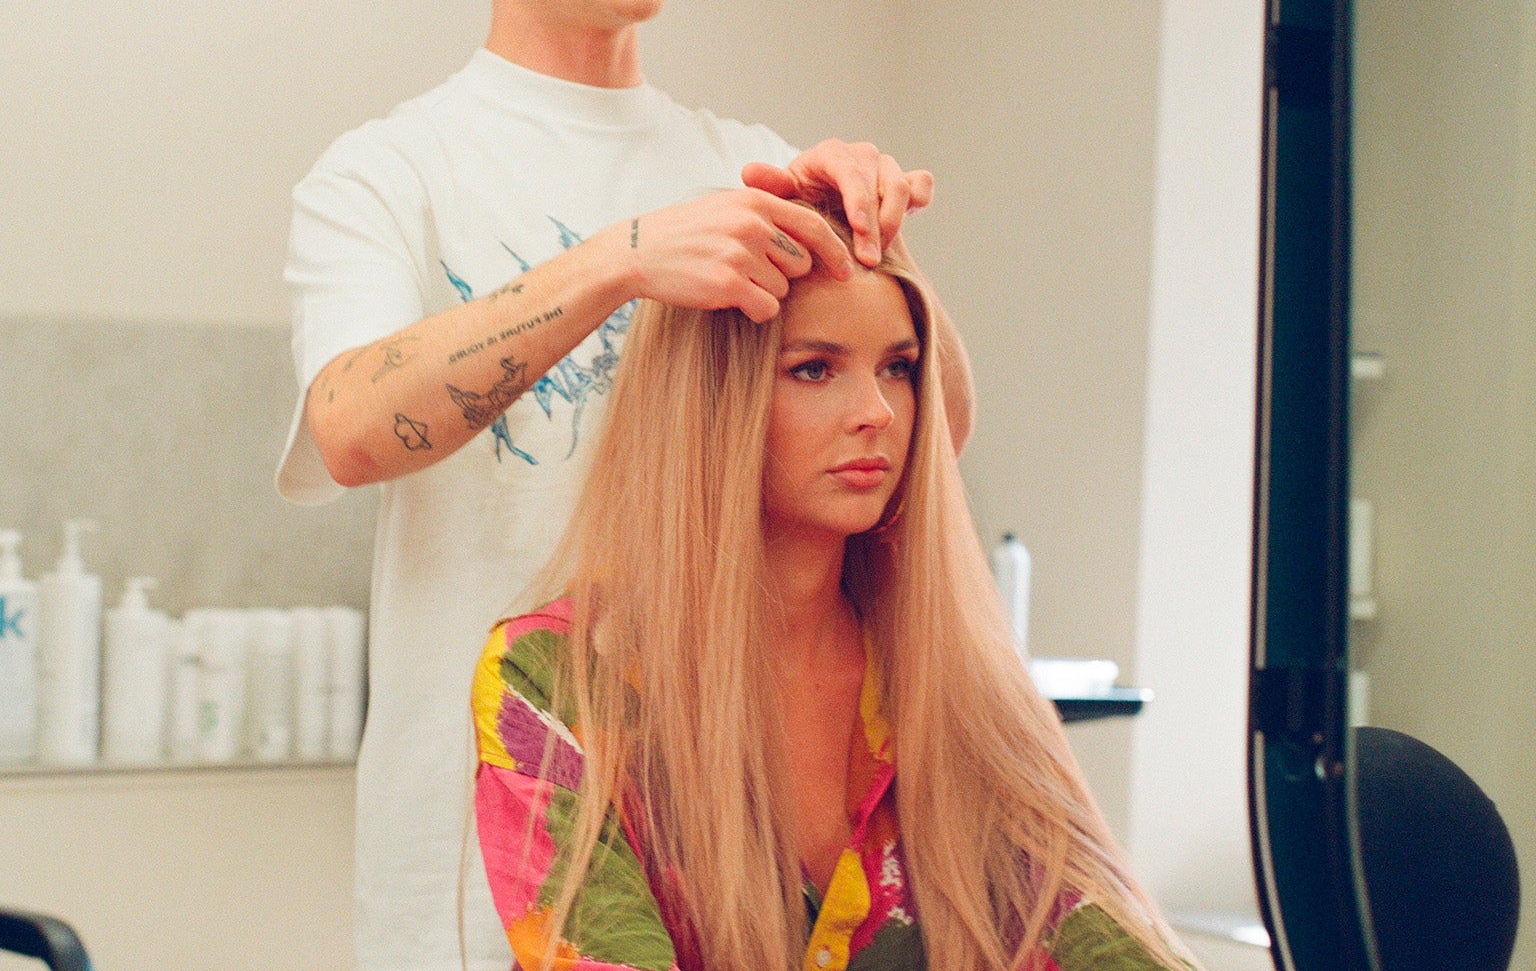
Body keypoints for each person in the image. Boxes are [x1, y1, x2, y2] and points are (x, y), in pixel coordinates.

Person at [276, 0, 931, 969]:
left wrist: (882, 270)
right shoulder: (387, 173)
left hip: (725, 857)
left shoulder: (757, 170)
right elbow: (348, 427)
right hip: (469, 867)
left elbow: (908, 461)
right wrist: (615, 262)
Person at [471, 205, 1200, 971]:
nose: (876, 412)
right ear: (711, 400)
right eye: (814, 369)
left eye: (899, 368)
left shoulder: (957, 685)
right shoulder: (550, 683)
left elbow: (1111, 939)